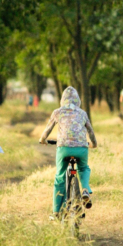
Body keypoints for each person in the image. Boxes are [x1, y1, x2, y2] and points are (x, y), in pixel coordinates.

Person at [39, 86, 98, 217]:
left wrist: (43, 139)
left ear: (62, 100)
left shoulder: (57, 112)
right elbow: (91, 132)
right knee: (83, 168)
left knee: (60, 177)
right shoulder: (83, 113)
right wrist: (94, 144)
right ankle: (85, 190)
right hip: (81, 148)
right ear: (78, 100)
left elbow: (47, 130)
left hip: (63, 148)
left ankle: (55, 212)